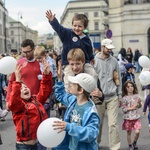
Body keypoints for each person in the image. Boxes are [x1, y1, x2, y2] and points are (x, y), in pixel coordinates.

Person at [52, 61, 100, 150]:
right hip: (70, 147)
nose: (70, 84)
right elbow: (61, 95)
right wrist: (59, 79)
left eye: (73, 84)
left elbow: (92, 133)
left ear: (81, 90)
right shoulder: (73, 100)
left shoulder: (91, 112)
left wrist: (69, 127)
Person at [45, 10, 97, 91]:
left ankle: (93, 91)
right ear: (72, 25)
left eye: (80, 26)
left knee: (93, 74)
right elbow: (59, 28)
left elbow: (89, 50)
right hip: (68, 63)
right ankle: (69, 93)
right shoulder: (67, 33)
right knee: (69, 77)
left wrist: (91, 58)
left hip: (84, 62)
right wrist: (53, 21)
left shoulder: (86, 39)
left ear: (84, 27)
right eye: (75, 25)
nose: (76, 28)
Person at [7, 60, 52, 150]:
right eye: (21, 88)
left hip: (36, 144)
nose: (24, 89)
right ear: (16, 93)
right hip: (24, 146)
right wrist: (17, 81)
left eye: (26, 87)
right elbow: (13, 101)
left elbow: (45, 90)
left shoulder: (35, 100)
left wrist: (46, 75)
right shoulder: (19, 106)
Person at [94, 38, 122, 150]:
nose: (110, 51)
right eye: (108, 48)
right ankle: (95, 144)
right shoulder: (94, 61)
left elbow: (118, 78)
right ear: (102, 47)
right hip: (98, 97)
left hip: (112, 96)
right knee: (98, 123)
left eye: (111, 49)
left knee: (113, 124)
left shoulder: (114, 61)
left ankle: (115, 147)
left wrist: (119, 95)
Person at [6, 39, 41, 103]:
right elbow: (11, 81)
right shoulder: (19, 63)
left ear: (34, 49)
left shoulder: (40, 63)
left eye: (28, 52)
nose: (25, 54)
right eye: (23, 52)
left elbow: (45, 82)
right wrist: (8, 100)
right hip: (22, 101)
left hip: (38, 100)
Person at [121, 81, 142, 150]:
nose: (130, 88)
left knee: (137, 131)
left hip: (136, 117)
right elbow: (123, 109)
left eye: (131, 86)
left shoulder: (137, 96)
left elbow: (139, 106)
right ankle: (130, 145)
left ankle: (134, 142)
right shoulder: (124, 98)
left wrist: (139, 103)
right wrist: (131, 108)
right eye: (128, 87)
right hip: (128, 118)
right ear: (125, 88)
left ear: (134, 87)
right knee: (129, 132)